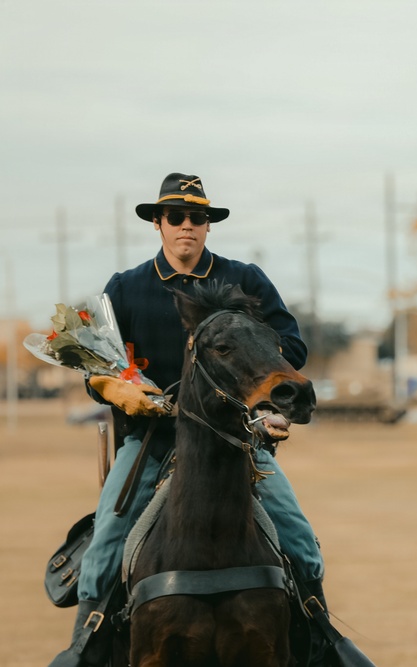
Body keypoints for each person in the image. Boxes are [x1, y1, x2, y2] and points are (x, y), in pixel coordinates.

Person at [50, 173, 329, 666]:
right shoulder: (127, 287)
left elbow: (294, 348)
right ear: (157, 223)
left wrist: (259, 369)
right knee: (101, 554)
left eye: (197, 217)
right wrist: (116, 388)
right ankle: (85, 647)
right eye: (175, 217)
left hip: (237, 441)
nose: (186, 226)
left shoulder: (245, 280)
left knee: (301, 542)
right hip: (151, 442)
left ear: (207, 226)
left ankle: (327, 642)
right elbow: (97, 366)